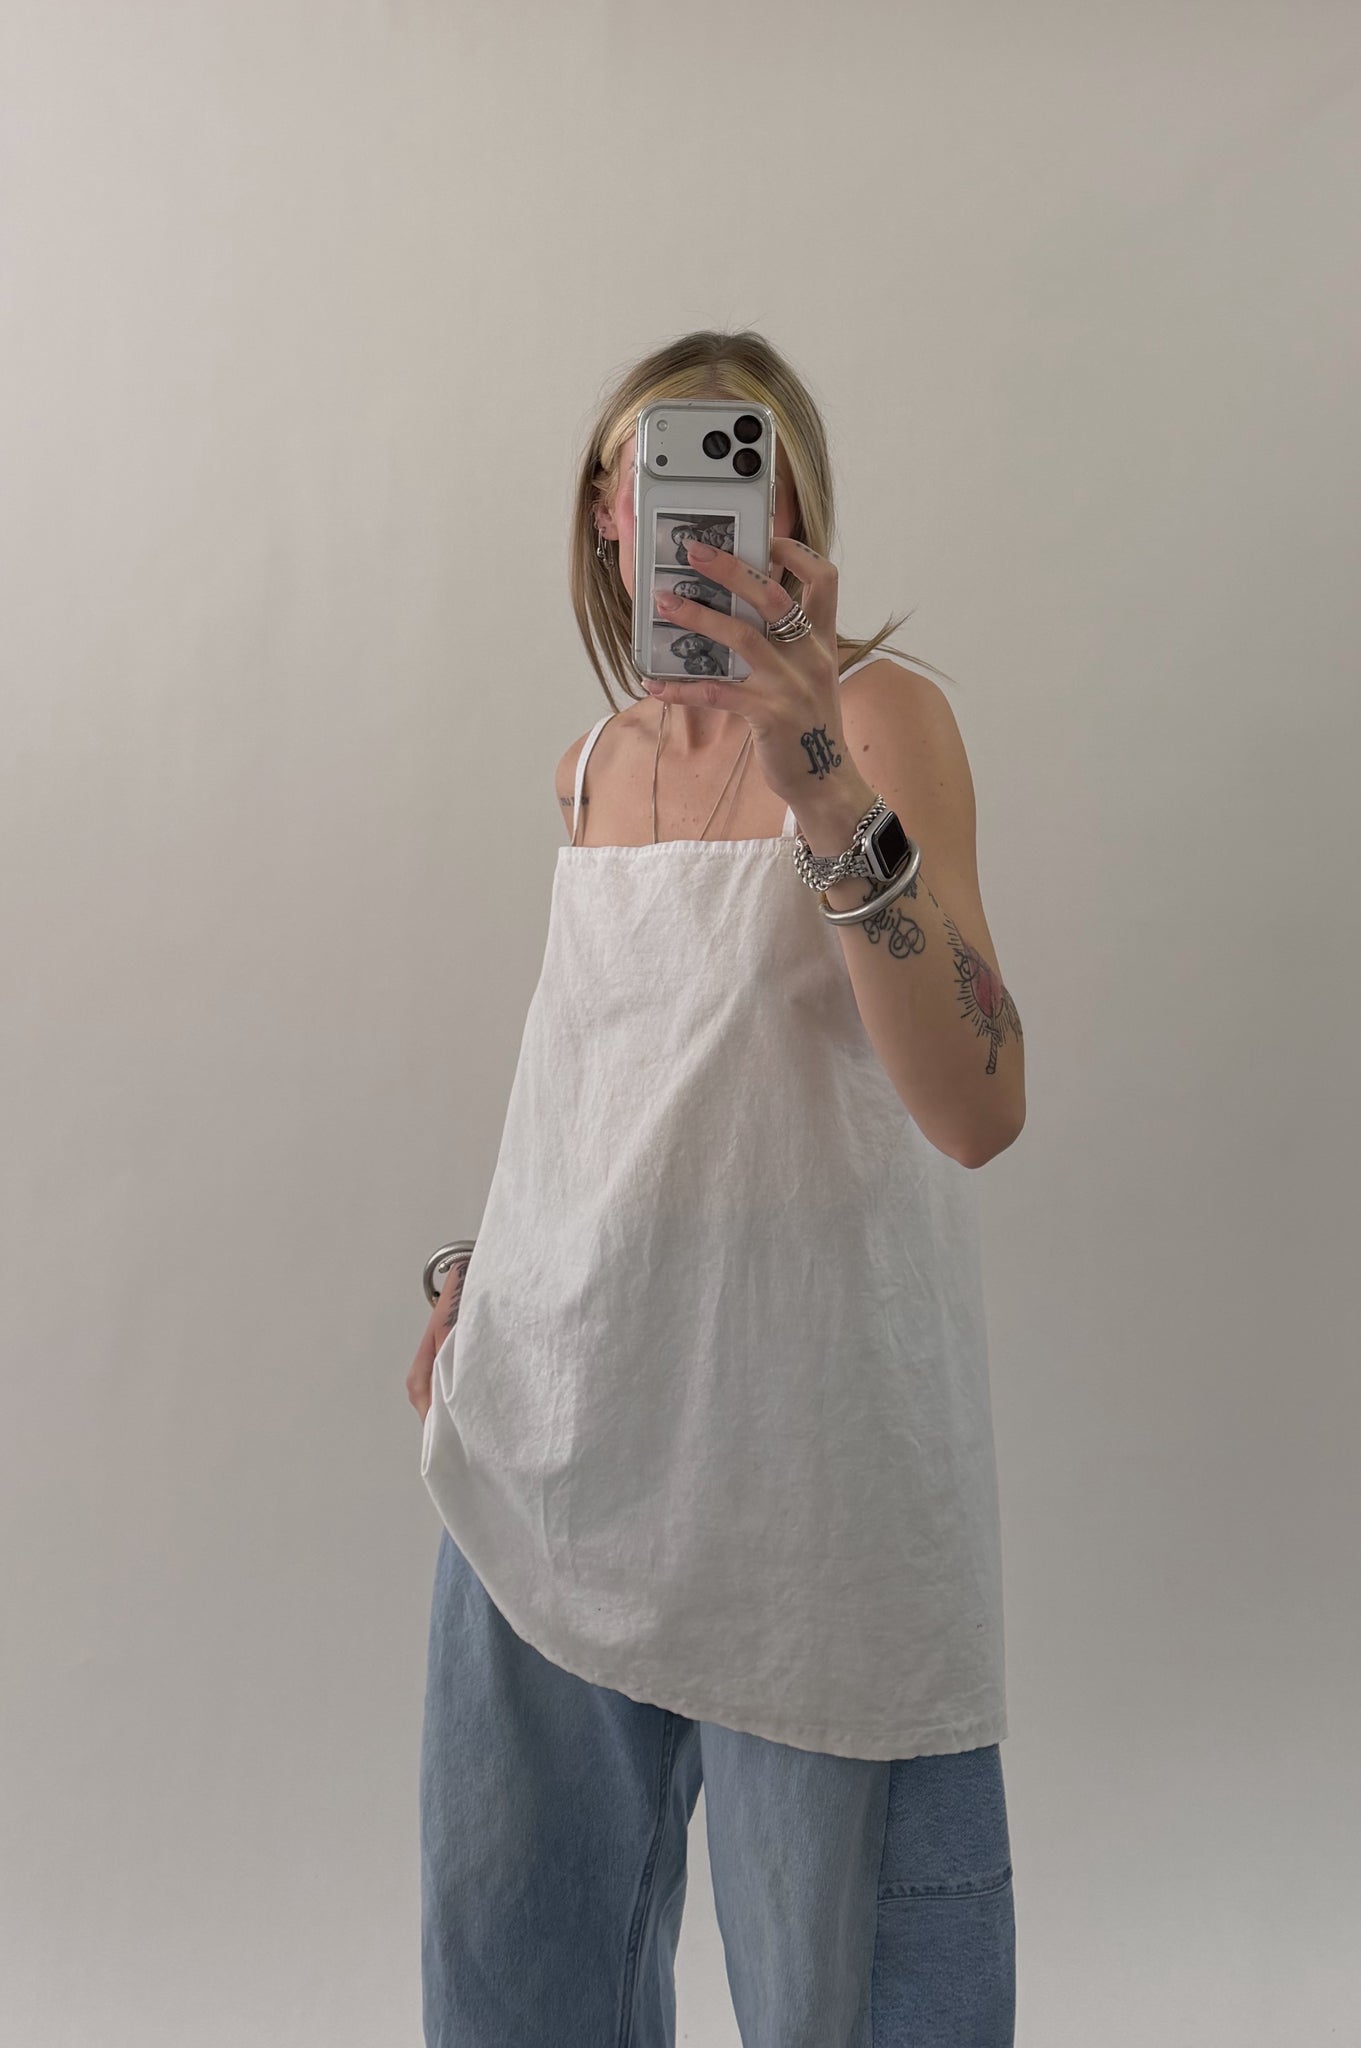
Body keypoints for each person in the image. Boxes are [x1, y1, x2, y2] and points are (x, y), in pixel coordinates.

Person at [410, 328, 1025, 2047]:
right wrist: (481, 1275)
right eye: (644, 475)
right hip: (557, 1439)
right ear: (604, 519)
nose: (677, 508)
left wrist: (815, 766)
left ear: (786, 514)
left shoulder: (879, 719)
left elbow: (980, 1104)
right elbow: (602, 1085)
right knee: (516, 1982)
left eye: (725, 472)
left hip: (807, 1474)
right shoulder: (589, 767)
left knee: (853, 1995)